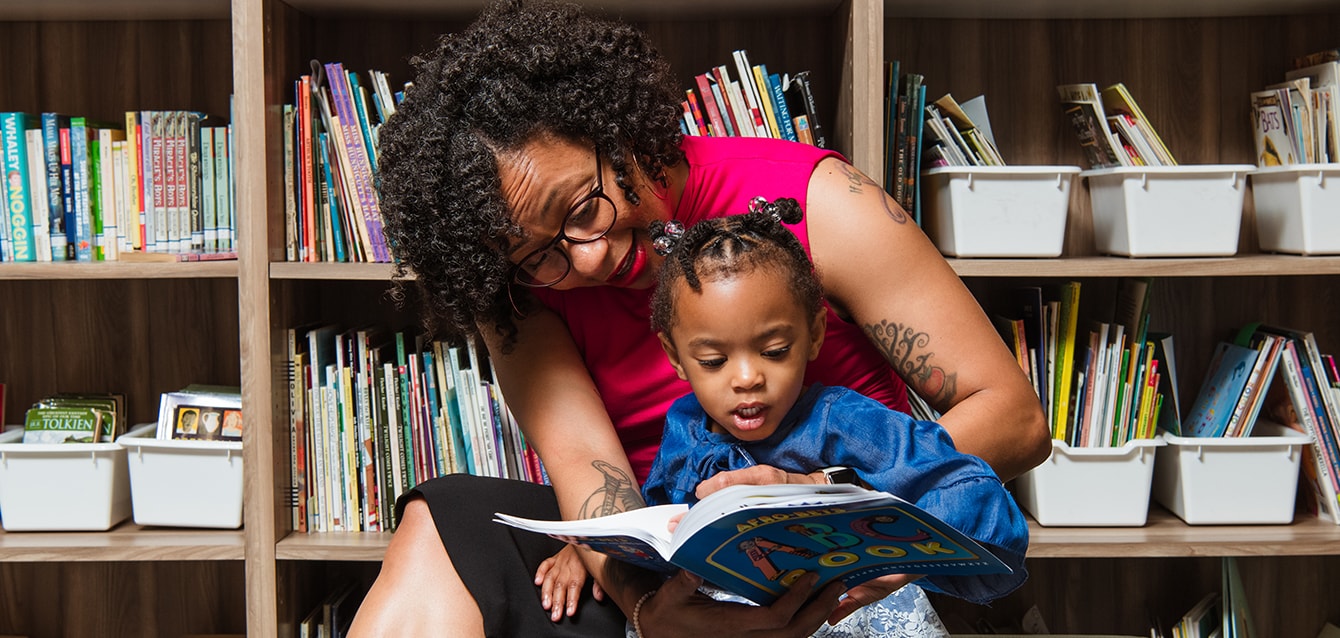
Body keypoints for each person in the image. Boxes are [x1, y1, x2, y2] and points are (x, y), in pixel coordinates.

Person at [348, 1, 1050, 637]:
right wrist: (651, 613)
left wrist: (820, 503)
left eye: (584, 209)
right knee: (438, 521)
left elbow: (1016, 418)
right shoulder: (522, 294)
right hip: (669, 558)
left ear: (611, 128)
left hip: (848, 544)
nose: (587, 261)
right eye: (540, 254)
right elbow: (593, 482)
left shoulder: (819, 200)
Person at [637, 198, 1028, 636]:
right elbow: (655, 524)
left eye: (774, 352)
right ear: (675, 356)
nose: (746, 378)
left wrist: (897, 547)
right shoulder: (684, 425)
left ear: (815, 334)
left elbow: (978, 496)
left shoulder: (843, 420)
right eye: (713, 360)